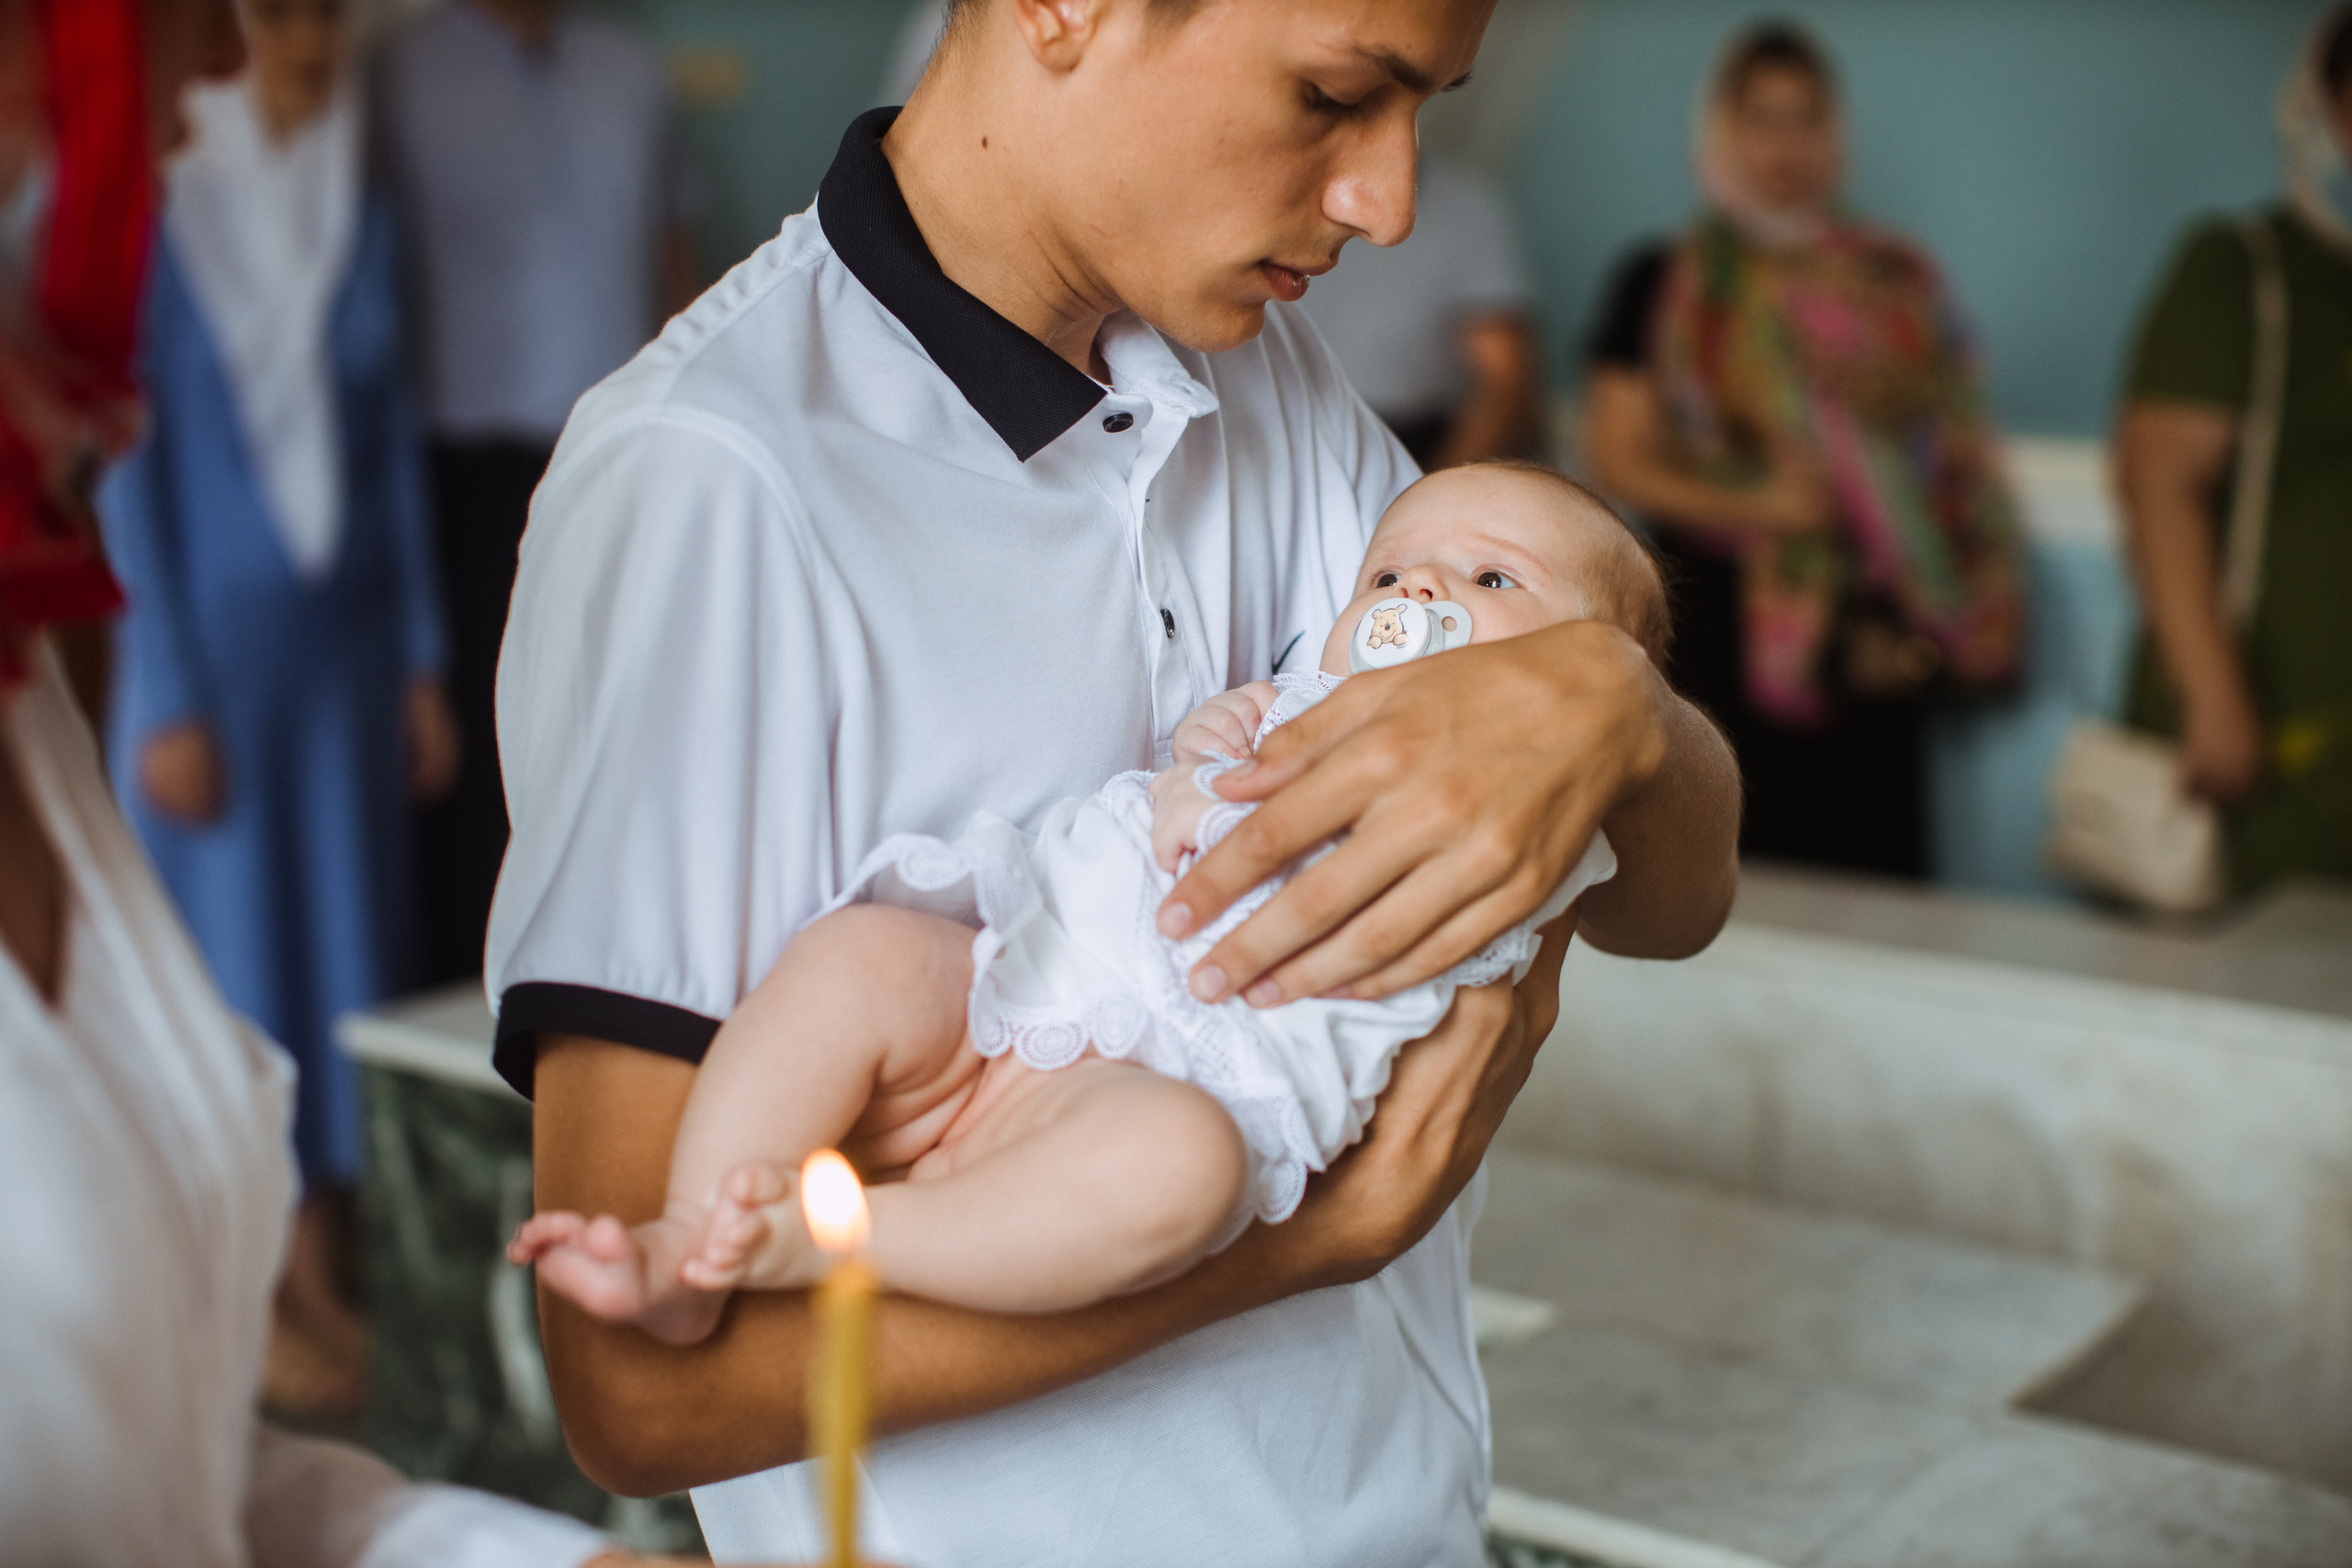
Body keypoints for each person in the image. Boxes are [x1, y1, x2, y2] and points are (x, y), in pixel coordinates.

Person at [488, 1, 1742, 1562]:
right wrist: (1305, 1244)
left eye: (1425, 110)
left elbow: (1676, 897)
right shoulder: (713, 486)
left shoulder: (1274, 389)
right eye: (1339, 92)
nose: (1390, 199)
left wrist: (1621, 709)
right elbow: (637, 1401)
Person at [0, 0, 732, 1562]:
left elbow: (177, 1492)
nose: (214, 80)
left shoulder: (34, 722)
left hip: (340, 627)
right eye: (180, 19)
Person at [514, 463, 1657, 1342]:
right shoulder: (1298, 697)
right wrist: (1209, 748)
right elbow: (1207, 756)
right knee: (864, 956)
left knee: (1178, 1174)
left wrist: (1615, 722)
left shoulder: (1536, 816)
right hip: (1030, 972)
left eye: (1492, 580)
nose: (1419, 592)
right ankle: (687, 1233)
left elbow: (1639, 878)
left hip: (1174, 1085)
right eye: (1388, 574)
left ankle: (815, 1240)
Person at [96, 0, 457, 1416]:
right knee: (231, 973)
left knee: (341, 963)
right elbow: (128, 462)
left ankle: (318, 1269)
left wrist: (421, 659)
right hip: (213, 672)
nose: (301, 43)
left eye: (320, 14)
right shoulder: (165, 202)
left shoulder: (352, 196)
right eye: (277, 14)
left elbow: (390, 444)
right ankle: (244, 1289)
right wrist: (165, 691)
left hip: (347, 649)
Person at [1583, 19, 2023, 881]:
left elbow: (1958, 445)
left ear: (1836, 134)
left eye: (1806, 118)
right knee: (1723, 876)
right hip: (1714, 632)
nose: (1785, 145)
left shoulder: (1893, 283)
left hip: (1873, 635)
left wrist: (1886, 406)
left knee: (1874, 873)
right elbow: (1620, 456)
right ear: (1720, 129)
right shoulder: (1665, 281)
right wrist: (1766, 504)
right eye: (1761, 117)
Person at [373, 0, 701, 986]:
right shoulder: (399, 77)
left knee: (621, 731)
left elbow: (674, 260)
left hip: (617, 454)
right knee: (478, 770)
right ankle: (483, 1009)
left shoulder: (628, 72)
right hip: (464, 473)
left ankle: (618, 979)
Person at [2112, 3, 2352, 895]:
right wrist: (2213, 698)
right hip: (2259, 763)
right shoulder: (2242, 272)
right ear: (2315, 116)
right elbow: (2157, 487)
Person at [1296, 155, 1546, 468]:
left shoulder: (1469, 212)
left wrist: (1427, 497)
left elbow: (1507, 385)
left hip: (1403, 441)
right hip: (1280, 417)